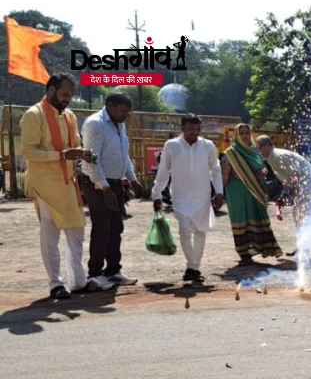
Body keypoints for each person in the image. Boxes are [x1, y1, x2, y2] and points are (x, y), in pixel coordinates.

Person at [19, 73, 103, 299]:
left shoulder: (69, 116)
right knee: (51, 237)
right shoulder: (33, 115)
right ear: (51, 90)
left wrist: (82, 154)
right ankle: (55, 284)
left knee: (76, 233)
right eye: (65, 94)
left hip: (68, 184)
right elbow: (28, 151)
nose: (68, 99)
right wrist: (62, 155)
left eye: (71, 96)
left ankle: (78, 281)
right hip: (45, 186)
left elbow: (74, 144)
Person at [257, 135, 311, 279]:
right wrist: (284, 195)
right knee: (300, 220)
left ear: (268, 145)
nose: (258, 150)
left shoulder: (278, 156)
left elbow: (296, 176)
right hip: (304, 189)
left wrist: (290, 194)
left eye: (259, 147)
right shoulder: (272, 158)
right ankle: (304, 250)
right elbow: (287, 179)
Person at [81, 92, 144, 288]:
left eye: (128, 111)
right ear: (111, 106)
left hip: (115, 182)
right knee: (102, 228)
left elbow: (122, 155)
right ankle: (95, 273)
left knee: (116, 228)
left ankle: (113, 271)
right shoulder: (96, 124)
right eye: (124, 111)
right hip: (97, 182)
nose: (127, 115)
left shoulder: (119, 124)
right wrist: (104, 188)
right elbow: (92, 159)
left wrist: (133, 180)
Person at [151, 114, 224, 282]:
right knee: (184, 230)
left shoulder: (208, 146)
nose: (195, 132)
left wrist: (219, 192)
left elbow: (215, 169)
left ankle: (193, 268)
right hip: (179, 196)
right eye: (191, 129)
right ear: (182, 128)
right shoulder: (171, 146)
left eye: (198, 129)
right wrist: (156, 194)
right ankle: (193, 266)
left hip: (202, 197)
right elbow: (163, 172)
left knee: (200, 232)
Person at [221, 124, 283, 264]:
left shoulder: (255, 150)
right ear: (237, 135)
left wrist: (263, 172)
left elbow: (264, 167)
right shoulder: (230, 153)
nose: (244, 136)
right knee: (241, 219)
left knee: (258, 217)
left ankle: (265, 247)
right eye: (241, 133)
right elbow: (225, 176)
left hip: (256, 190)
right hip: (237, 192)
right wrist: (218, 193)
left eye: (247, 133)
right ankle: (244, 254)